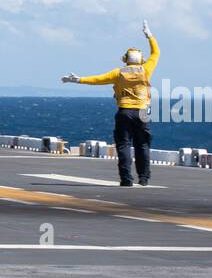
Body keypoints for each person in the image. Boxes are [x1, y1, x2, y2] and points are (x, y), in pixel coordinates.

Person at [62, 20, 160, 186]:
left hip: (124, 112)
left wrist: (78, 80)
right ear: (141, 59)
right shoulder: (146, 70)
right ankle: (144, 179)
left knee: (124, 145)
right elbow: (156, 53)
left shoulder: (118, 73)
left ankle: (126, 179)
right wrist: (149, 35)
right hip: (142, 112)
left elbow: (97, 79)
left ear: (125, 59)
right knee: (142, 146)